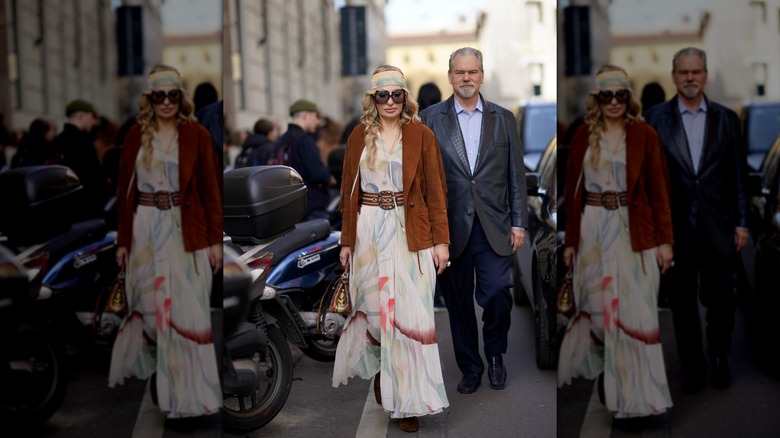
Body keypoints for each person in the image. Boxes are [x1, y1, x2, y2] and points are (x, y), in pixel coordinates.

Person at [333, 65, 450, 433]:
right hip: (369, 231)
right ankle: (386, 373)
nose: (389, 102)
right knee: (374, 316)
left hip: (409, 233)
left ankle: (407, 403)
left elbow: (436, 192)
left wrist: (441, 242)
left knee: (409, 319)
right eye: (382, 95)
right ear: (372, 98)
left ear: (405, 97)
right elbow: (347, 196)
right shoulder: (357, 137)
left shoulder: (421, 135)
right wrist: (347, 241)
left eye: (396, 94)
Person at [557, 64, 674, 426]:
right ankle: (615, 385)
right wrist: (571, 242)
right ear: (597, 99)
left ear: (628, 98)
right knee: (602, 317)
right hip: (593, 233)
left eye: (619, 95)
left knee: (636, 318)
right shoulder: (581, 138)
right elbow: (572, 196)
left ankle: (642, 403)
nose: (613, 102)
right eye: (605, 95)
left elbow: (660, 194)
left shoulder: (645, 136)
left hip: (633, 232)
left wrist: (665, 242)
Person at [109, 64, 223, 424]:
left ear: (181, 97)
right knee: (155, 317)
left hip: (185, 228)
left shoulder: (198, 136)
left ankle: (192, 403)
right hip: (145, 230)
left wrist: (215, 241)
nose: (166, 102)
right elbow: (124, 193)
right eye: (159, 95)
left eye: (173, 94)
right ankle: (171, 393)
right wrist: (123, 241)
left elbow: (210, 192)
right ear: (149, 99)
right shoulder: (134, 138)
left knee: (188, 317)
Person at [420, 47, 527, 394]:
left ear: (482, 75)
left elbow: (515, 174)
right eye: (459, 72)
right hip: (450, 229)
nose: (466, 78)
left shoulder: (503, 118)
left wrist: (519, 222)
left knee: (497, 292)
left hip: (494, 225)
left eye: (472, 72)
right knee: (458, 302)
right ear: (450, 76)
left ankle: (495, 353)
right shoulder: (430, 119)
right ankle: (470, 367)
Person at [644, 47, 749, 393]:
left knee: (721, 301)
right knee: (683, 306)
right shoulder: (656, 119)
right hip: (676, 232)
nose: (690, 78)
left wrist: (742, 223)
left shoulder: (726, 119)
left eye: (696, 72)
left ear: (705, 75)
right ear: (674, 76)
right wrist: (658, 235)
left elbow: (738, 175)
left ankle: (719, 357)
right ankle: (694, 368)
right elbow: (650, 180)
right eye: (684, 72)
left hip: (719, 229)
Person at [275, 99, 336, 221]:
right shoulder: (304, 140)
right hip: (310, 208)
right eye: (316, 116)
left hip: (287, 207)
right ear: (305, 115)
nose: (318, 121)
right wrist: (329, 178)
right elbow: (318, 173)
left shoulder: (280, 141)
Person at [56, 99, 111, 217]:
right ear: (81, 115)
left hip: (63, 208)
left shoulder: (57, 141)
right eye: (92, 116)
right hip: (85, 210)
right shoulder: (82, 143)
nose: (94, 121)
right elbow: (95, 179)